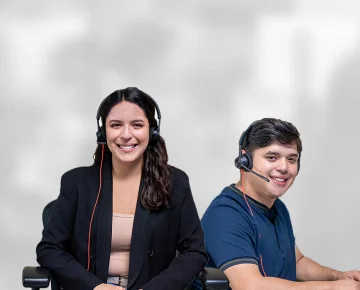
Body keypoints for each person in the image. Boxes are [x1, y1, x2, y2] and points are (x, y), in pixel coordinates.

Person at [37, 87, 207, 290]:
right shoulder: (76, 183)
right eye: (116, 125)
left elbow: (194, 251)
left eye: (137, 125)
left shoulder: (175, 182)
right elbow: (49, 249)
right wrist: (95, 287)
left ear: (152, 131)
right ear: (103, 132)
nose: (126, 135)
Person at [194, 118, 360, 290]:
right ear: (245, 161)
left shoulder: (277, 208)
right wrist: (332, 288)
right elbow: (249, 286)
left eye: (292, 159)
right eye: (272, 157)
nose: (284, 167)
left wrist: (337, 276)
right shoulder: (226, 214)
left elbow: (297, 263)